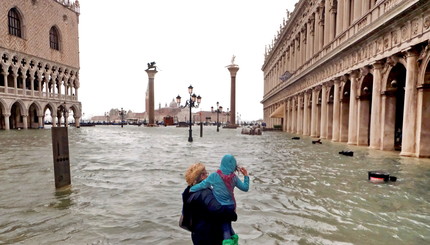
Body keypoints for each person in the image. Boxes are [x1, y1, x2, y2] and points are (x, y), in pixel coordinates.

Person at [190, 154, 249, 245]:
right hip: (232, 206)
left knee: (225, 228)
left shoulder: (214, 176)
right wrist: (246, 176)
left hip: (221, 208)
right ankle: (235, 243)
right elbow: (245, 188)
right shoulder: (234, 178)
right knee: (229, 226)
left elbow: (202, 185)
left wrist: (191, 188)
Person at [182, 163, 238, 245]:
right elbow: (219, 209)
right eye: (206, 173)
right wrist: (233, 214)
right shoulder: (204, 193)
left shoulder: (188, 192)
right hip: (210, 236)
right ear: (202, 176)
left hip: (197, 234)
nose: (208, 176)